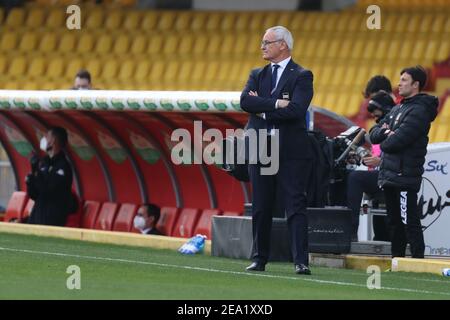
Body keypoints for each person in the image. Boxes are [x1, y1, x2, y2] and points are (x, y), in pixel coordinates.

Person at [240, 26, 313, 275]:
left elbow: (296, 110)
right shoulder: (257, 74)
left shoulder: (302, 75)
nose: (262, 46)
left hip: (290, 150)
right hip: (261, 147)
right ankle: (259, 258)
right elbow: (245, 102)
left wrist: (261, 108)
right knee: (261, 205)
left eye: (267, 42)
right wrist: (275, 104)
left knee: (295, 204)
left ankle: (301, 261)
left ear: (283, 44)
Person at [369, 66, 438, 258]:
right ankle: (397, 259)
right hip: (390, 174)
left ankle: (417, 260)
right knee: (394, 221)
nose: (399, 84)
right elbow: (373, 134)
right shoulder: (399, 108)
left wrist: (388, 135)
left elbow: (394, 143)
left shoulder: (420, 110)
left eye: (404, 80)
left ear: (416, 84)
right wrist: (386, 132)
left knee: (409, 220)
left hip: (404, 174)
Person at [347, 91, 395, 241]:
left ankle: (350, 231)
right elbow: (378, 155)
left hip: (392, 174)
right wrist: (364, 159)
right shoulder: (380, 130)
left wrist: (380, 162)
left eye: (376, 113)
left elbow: (399, 157)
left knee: (355, 178)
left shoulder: (394, 128)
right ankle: (379, 237)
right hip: (381, 174)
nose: (374, 118)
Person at [26, 127, 73, 226]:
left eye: (46, 136)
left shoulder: (63, 167)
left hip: (52, 220)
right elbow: (34, 195)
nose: (43, 138)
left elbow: (47, 189)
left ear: (53, 141)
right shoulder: (44, 163)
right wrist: (31, 180)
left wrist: (37, 172)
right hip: (37, 217)